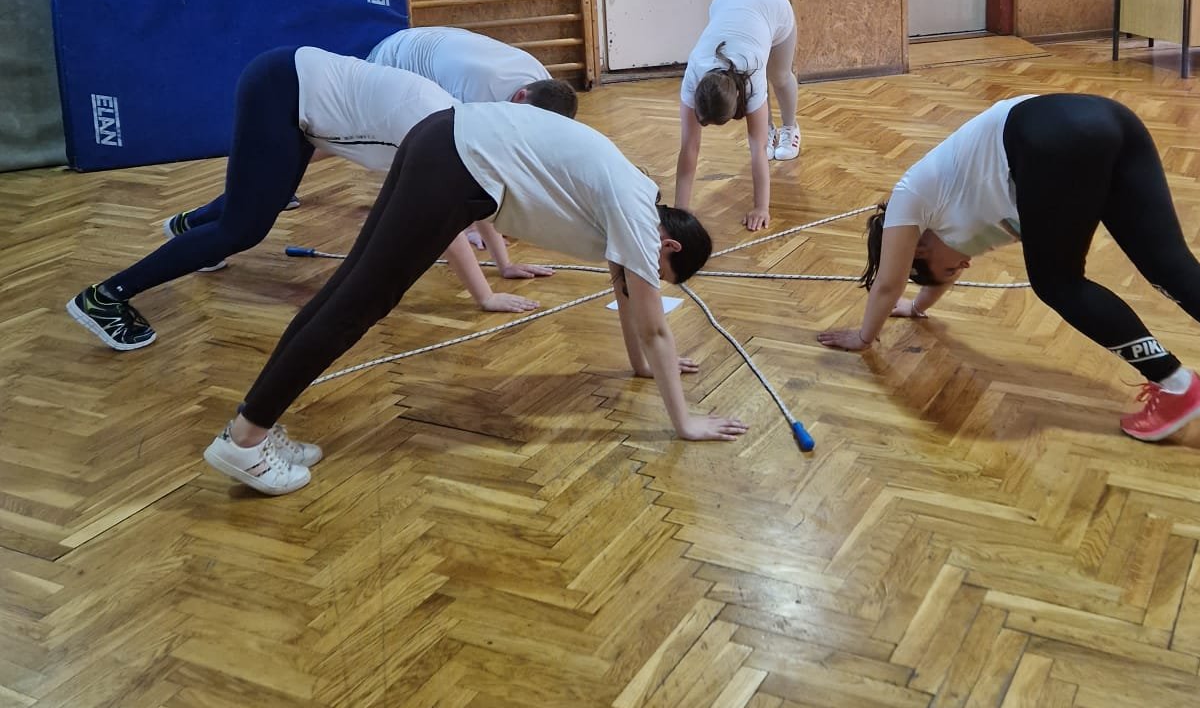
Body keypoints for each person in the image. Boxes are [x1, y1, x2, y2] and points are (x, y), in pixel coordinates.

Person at [202, 103, 745, 493]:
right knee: (358, 303)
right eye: (661, 272)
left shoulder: (633, 197)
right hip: (457, 163)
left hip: (442, 137)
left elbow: (625, 294)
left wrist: (643, 367)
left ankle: (254, 425)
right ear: (669, 245)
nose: (650, 278)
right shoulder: (637, 215)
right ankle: (246, 440)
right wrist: (685, 422)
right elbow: (654, 325)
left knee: (348, 289)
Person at [816, 93, 1200, 457]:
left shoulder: (910, 198)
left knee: (1057, 282)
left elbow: (888, 281)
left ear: (918, 246)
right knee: (1173, 269)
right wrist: (918, 308)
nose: (961, 268)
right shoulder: (966, 216)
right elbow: (928, 278)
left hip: (1049, 136)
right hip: (1107, 119)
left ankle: (1176, 385)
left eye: (940, 267)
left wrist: (865, 335)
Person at [66, 48, 542, 351]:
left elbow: (467, 196)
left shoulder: (459, 123)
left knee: (262, 199)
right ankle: (105, 298)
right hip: (283, 89)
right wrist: (484, 296)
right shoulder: (433, 132)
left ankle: (191, 229)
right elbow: (444, 224)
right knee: (244, 229)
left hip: (295, 95)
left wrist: (502, 265)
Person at [676, 0, 801, 233]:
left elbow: (758, 149)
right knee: (761, 124)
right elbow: (689, 147)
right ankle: (768, 125)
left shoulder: (751, 72)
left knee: (779, 76)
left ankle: (790, 127)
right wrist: (680, 212)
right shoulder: (694, 73)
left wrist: (761, 208)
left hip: (772, 6)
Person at [368, 26, 577, 115]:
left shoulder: (543, 83)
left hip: (434, 40)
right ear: (521, 94)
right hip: (393, 59)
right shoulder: (478, 93)